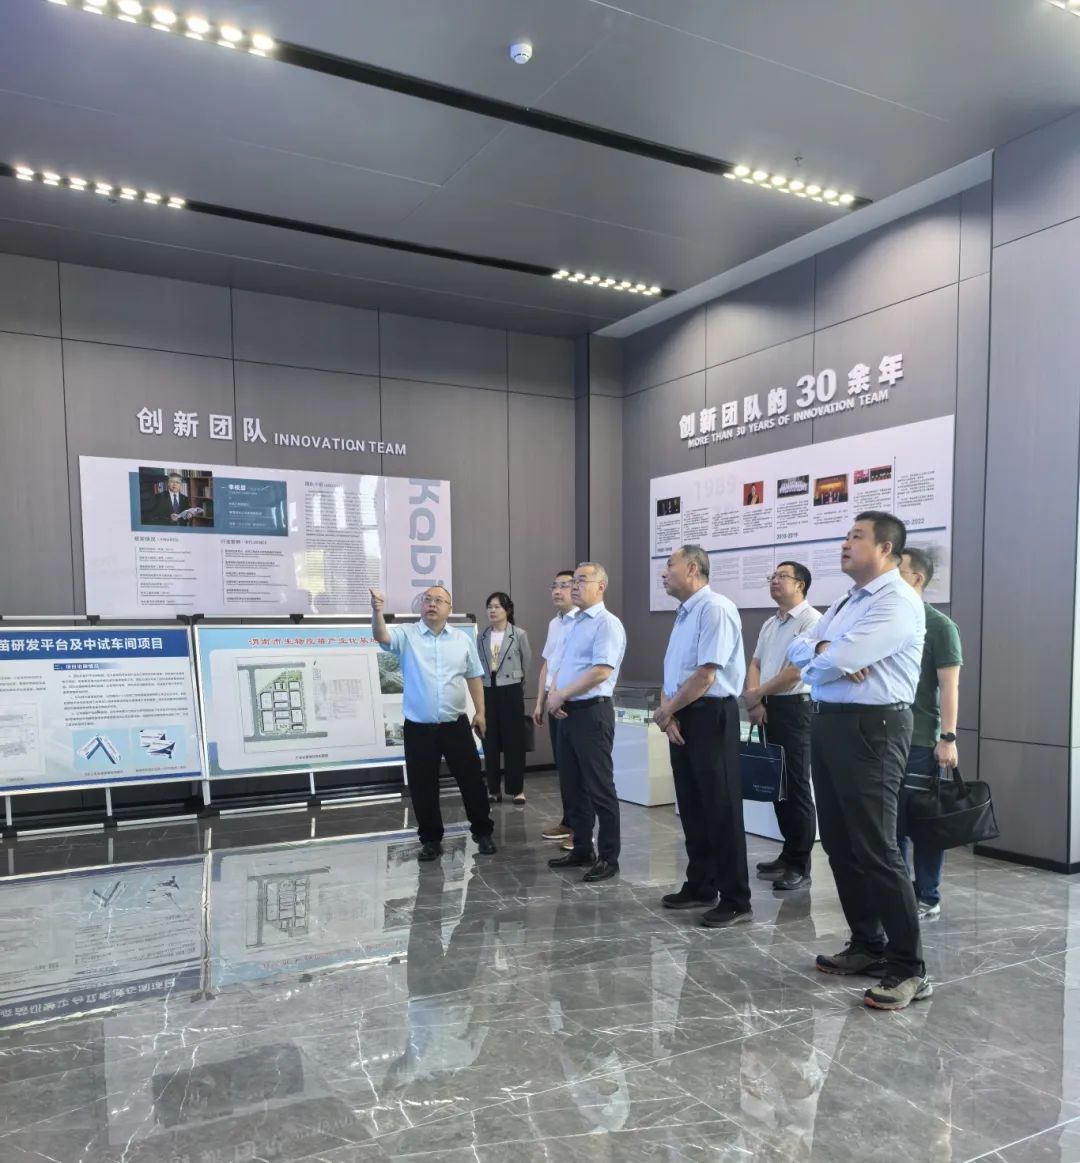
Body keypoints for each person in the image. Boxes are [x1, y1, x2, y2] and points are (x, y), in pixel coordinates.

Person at [787, 511, 928, 1011]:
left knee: (876, 847)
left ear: (885, 548)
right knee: (840, 843)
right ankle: (868, 944)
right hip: (830, 723)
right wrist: (827, 651)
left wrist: (829, 655)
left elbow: (834, 661)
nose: (845, 543)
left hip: (874, 728)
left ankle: (909, 968)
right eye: (846, 535)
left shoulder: (897, 601)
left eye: (856, 537)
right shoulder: (849, 599)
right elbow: (801, 649)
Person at [654, 545, 751, 928]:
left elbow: (706, 675)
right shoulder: (684, 614)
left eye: (670, 565)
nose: (664, 572)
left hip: (711, 715)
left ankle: (736, 898)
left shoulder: (715, 609)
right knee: (693, 806)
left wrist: (668, 710)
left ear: (692, 568)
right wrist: (669, 711)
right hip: (682, 714)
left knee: (721, 808)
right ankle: (701, 884)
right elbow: (673, 673)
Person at [370, 585, 496, 861]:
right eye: (427, 599)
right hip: (419, 728)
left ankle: (483, 832)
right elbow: (381, 636)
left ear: (449, 609)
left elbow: (474, 676)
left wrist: (481, 712)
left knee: (472, 781)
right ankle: (430, 840)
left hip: (455, 725)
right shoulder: (407, 634)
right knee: (422, 785)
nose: (432, 604)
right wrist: (377, 611)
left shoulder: (461, 639)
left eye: (439, 600)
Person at [546, 562, 626, 883]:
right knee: (572, 786)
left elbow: (601, 671)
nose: (573, 586)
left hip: (592, 713)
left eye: (581, 581)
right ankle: (581, 848)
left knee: (599, 787)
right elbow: (561, 664)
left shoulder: (607, 624)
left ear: (600, 587)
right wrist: (555, 696)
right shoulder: (574, 623)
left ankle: (608, 857)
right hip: (568, 712)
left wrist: (561, 694)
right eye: (573, 581)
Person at [743, 562, 821, 891]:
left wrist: (757, 693)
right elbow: (756, 662)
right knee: (778, 784)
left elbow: (795, 672)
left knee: (797, 787)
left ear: (800, 584)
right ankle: (787, 854)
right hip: (768, 707)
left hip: (795, 709)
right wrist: (756, 701)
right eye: (772, 576)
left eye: (781, 577)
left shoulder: (811, 620)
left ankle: (800, 864)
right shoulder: (770, 622)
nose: (774, 581)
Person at [897, 547, 962, 919]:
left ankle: (927, 896)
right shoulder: (892, 619)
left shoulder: (940, 626)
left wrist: (948, 737)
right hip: (886, 738)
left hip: (921, 741)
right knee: (891, 825)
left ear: (917, 578)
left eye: (898, 571)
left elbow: (950, 686)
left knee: (923, 823)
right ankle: (898, 893)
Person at [532, 570, 579, 846]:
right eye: (554, 586)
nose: (557, 591)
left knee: (578, 769)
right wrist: (539, 701)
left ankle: (581, 832)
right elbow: (548, 664)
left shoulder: (582, 622)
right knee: (564, 767)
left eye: (564, 585)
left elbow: (575, 666)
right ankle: (569, 821)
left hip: (571, 700)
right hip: (552, 700)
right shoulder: (555, 623)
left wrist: (557, 695)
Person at [478, 591, 532, 804]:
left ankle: (517, 789)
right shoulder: (482, 636)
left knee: (514, 741)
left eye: (497, 606)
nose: (492, 610)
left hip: (511, 689)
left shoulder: (518, 634)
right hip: (487, 689)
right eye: (489, 606)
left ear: (507, 610)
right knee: (489, 740)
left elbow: (526, 663)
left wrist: (519, 687)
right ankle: (493, 789)